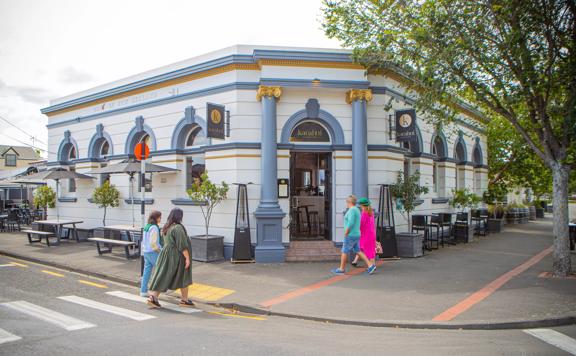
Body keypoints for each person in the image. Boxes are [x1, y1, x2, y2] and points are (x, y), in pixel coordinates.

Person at [147, 208, 194, 308]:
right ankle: (183, 300)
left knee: (164, 275)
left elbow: (164, 242)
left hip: (166, 254)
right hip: (176, 256)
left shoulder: (167, 227)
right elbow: (182, 245)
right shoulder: (178, 228)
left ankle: (154, 297)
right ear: (179, 216)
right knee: (183, 276)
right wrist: (187, 258)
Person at [331, 195, 376, 275]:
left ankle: (341, 269)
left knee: (344, 251)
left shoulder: (352, 210)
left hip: (350, 234)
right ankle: (370, 265)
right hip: (357, 234)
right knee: (358, 251)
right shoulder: (357, 210)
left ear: (349, 202)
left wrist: (346, 232)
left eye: (347, 202)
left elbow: (351, 222)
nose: (346, 204)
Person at [140, 210, 162, 297]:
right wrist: (160, 251)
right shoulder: (154, 227)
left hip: (146, 251)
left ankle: (143, 291)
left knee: (147, 272)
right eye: (160, 217)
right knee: (160, 271)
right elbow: (154, 243)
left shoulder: (147, 226)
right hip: (153, 252)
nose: (160, 219)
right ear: (156, 218)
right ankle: (155, 291)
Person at [351, 198, 376, 268]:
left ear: (363, 206)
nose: (360, 207)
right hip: (371, 234)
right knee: (362, 248)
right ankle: (355, 261)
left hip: (365, 235)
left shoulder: (364, 213)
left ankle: (372, 265)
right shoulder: (371, 212)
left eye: (360, 205)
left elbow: (361, 225)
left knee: (366, 250)